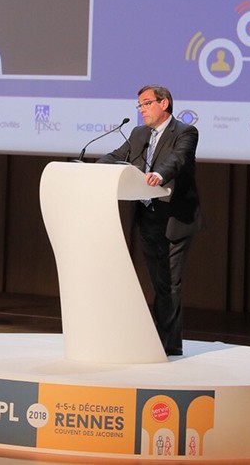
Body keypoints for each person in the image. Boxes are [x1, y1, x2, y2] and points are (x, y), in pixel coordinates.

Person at [97, 85, 202, 356]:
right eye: (139, 105)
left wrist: (159, 174)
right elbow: (118, 156)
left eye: (146, 104)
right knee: (158, 281)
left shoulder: (185, 132)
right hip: (147, 217)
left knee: (169, 281)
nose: (141, 110)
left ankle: (165, 344)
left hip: (175, 218)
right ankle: (167, 341)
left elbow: (178, 160)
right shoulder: (138, 133)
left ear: (164, 103)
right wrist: (91, 168)